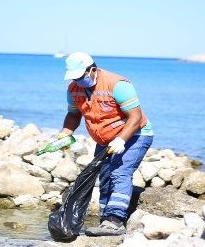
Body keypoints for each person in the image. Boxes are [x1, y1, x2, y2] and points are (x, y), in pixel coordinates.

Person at [58, 52, 154, 236]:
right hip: (105, 139)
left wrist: (121, 140)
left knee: (120, 171)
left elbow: (136, 117)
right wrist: (65, 134)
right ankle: (105, 221)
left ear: (92, 70)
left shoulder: (117, 85)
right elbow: (73, 114)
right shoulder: (73, 89)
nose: (77, 81)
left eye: (80, 77)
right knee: (104, 177)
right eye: (73, 78)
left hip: (136, 134)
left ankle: (115, 220)